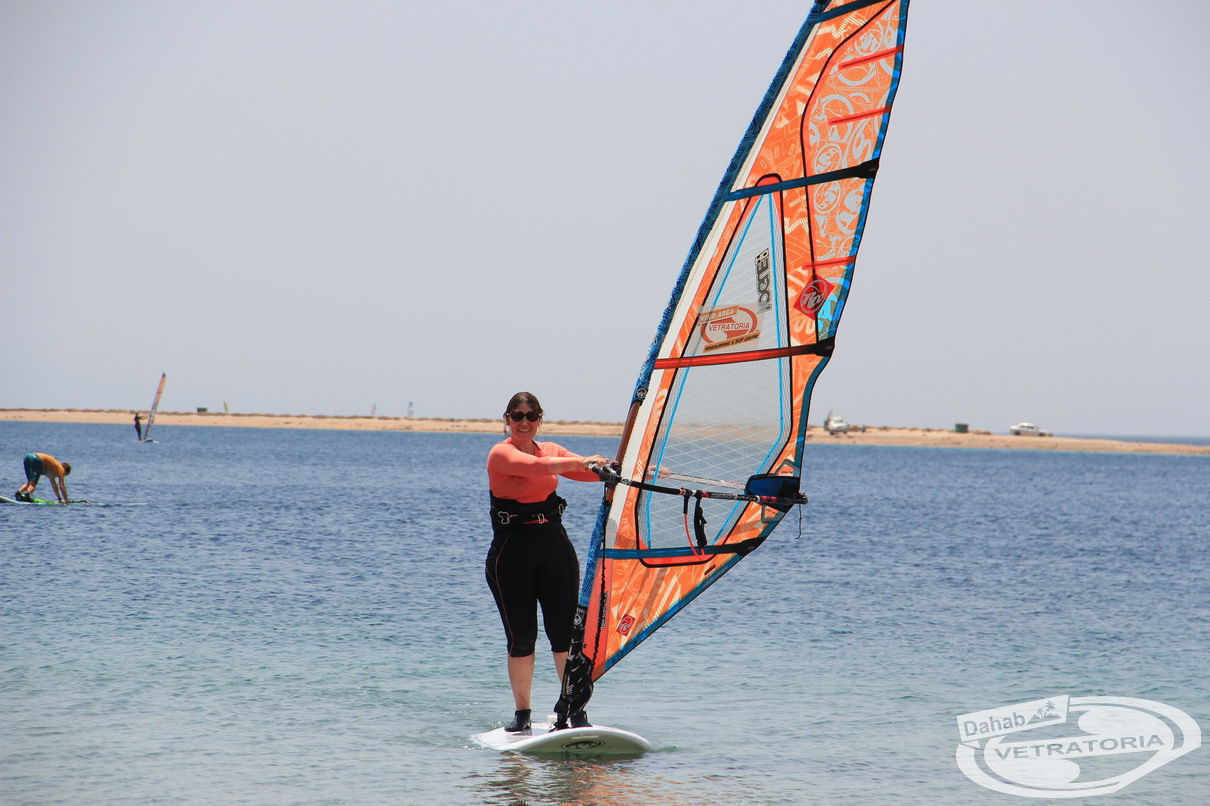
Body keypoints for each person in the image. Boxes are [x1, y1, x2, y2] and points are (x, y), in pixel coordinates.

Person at [485, 392, 610, 733]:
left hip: (554, 548)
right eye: (517, 416)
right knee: (522, 638)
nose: (524, 422)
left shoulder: (551, 449)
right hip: (512, 553)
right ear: (507, 419)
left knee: (566, 635)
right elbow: (538, 468)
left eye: (531, 416)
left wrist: (636, 471)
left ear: (540, 419)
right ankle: (522, 714)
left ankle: (575, 710)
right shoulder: (501, 453)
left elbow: (593, 472)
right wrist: (582, 462)